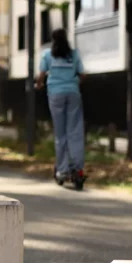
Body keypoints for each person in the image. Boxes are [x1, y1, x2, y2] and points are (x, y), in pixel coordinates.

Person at [36, 28, 86, 184]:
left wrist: (39, 85)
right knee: (75, 131)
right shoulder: (74, 54)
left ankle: (62, 170)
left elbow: (41, 76)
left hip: (55, 94)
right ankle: (77, 168)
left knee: (60, 133)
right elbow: (83, 74)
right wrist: (75, 83)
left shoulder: (47, 55)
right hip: (73, 94)